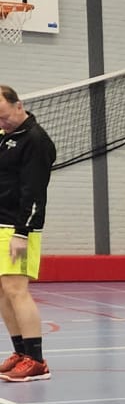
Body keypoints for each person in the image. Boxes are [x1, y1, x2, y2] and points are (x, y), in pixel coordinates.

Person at [0, 84, 55, 384]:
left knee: (16, 289)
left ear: (19, 105)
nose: (2, 122)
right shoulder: (5, 136)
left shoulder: (36, 140)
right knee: (3, 291)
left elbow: (34, 191)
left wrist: (22, 232)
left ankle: (36, 361)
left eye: (4, 116)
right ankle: (20, 352)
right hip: (1, 224)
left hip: (18, 228)